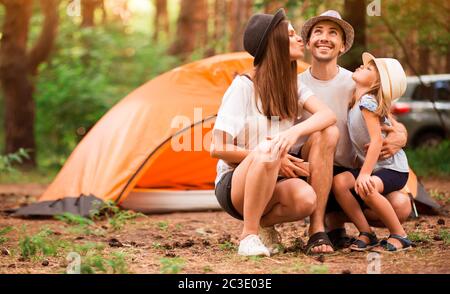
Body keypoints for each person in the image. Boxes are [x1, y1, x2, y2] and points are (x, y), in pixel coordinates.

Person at [210, 9, 336, 257]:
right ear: (273, 43)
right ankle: (249, 235)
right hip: (236, 183)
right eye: (290, 34)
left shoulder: (291, 85)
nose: (299, 38)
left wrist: (292, 135)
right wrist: (271, 155)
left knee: (306, 197)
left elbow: (327, 115)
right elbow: (217, 148)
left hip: (273, 179)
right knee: (268, 148)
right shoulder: (243, 87)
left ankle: (268, 225)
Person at [297, 10, 411, 255]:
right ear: (307, 43)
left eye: (333, 33)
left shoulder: (357, 84)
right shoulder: (296, 85)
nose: (324, 38)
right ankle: (328, 223)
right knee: (325, 134)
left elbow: (390, 122)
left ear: (342, 46)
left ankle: (354, 226)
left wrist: (400, 137)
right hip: (313, 173)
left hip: (354, 172)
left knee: (401, 206)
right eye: (318, 32)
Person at [333, 52, 412, 252]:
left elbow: (376, 141)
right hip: (376, 168)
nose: (361, 66)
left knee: (367, 188)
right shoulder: (355, 101)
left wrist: (365, 173)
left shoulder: (368, 102)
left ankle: (400, 235)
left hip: (392, 169)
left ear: (377, 83)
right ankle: (367, 232)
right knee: (340, 182)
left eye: (368, 69)